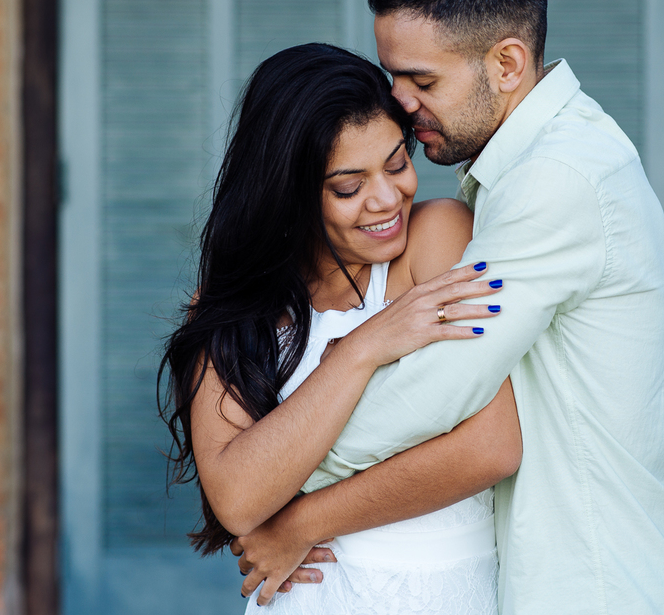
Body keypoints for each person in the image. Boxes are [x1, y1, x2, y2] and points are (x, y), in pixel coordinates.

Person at [235, 0, 664, 613]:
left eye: (420, 77)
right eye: (394, 74)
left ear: (508, 64)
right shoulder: (529, 167)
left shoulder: (558, 179)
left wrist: (272, 490)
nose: (397, 100)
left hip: (600, 589)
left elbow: (440, 389)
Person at [157, 43, 523, 613]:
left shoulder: (436, 239)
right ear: (290, 195)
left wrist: (302, 522)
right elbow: (237, 497)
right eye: (349, 187)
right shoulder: (231, 308)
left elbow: (491, 447)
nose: (387, 198)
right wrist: (360, 350)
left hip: (444, 594)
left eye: (398, 163)